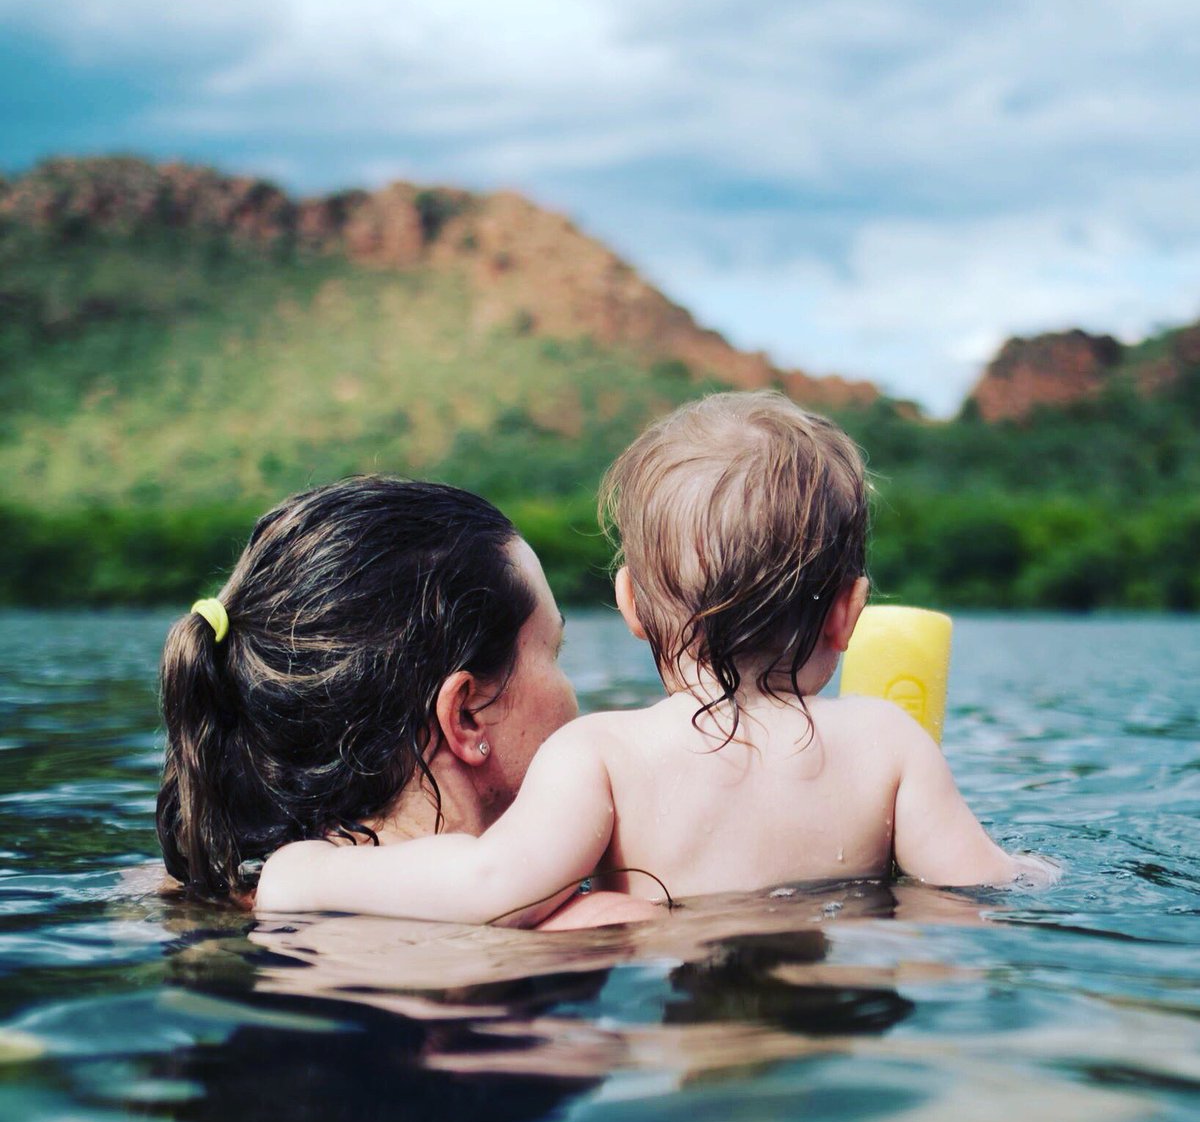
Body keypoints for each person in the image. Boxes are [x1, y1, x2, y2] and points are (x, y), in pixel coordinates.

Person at [257, 392, 1054, 925]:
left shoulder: (601, 755)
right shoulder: (889, 743)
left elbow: (487, 887)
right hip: (837, 1023)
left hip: (676, 1030)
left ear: (631, 604)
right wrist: (1035, 868)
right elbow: (980, 886)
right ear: (849, 612)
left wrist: (302, 873)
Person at [158, 474, 644, 926]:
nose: (574, 694)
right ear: (466, 715)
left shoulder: (224, 892)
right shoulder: (599, 927)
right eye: (556, 653)